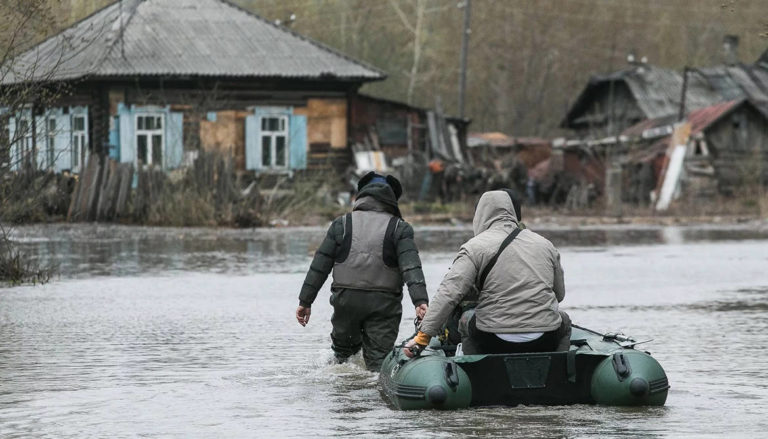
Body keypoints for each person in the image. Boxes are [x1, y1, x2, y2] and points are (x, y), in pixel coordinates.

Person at [404, 189, 570, 357]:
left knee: (466, 318)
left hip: (494, 338)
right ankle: (561, 373)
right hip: (544, 337)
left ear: (480, 215)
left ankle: (471, 372)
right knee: (564, 319)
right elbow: (559, 294)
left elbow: (449, 293)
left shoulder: (474, 247)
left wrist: (422, 338)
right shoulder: (546, 245)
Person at [296, 172, 429, 371]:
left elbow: (319, 266)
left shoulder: (341, 225)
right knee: (377, 366)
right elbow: (411, 267)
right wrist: (420, 301)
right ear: (392, 199)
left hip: (346, 302)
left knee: (343, 359)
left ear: (362, 194)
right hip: (383, 305)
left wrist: (305, 302)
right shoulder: (400, 228)